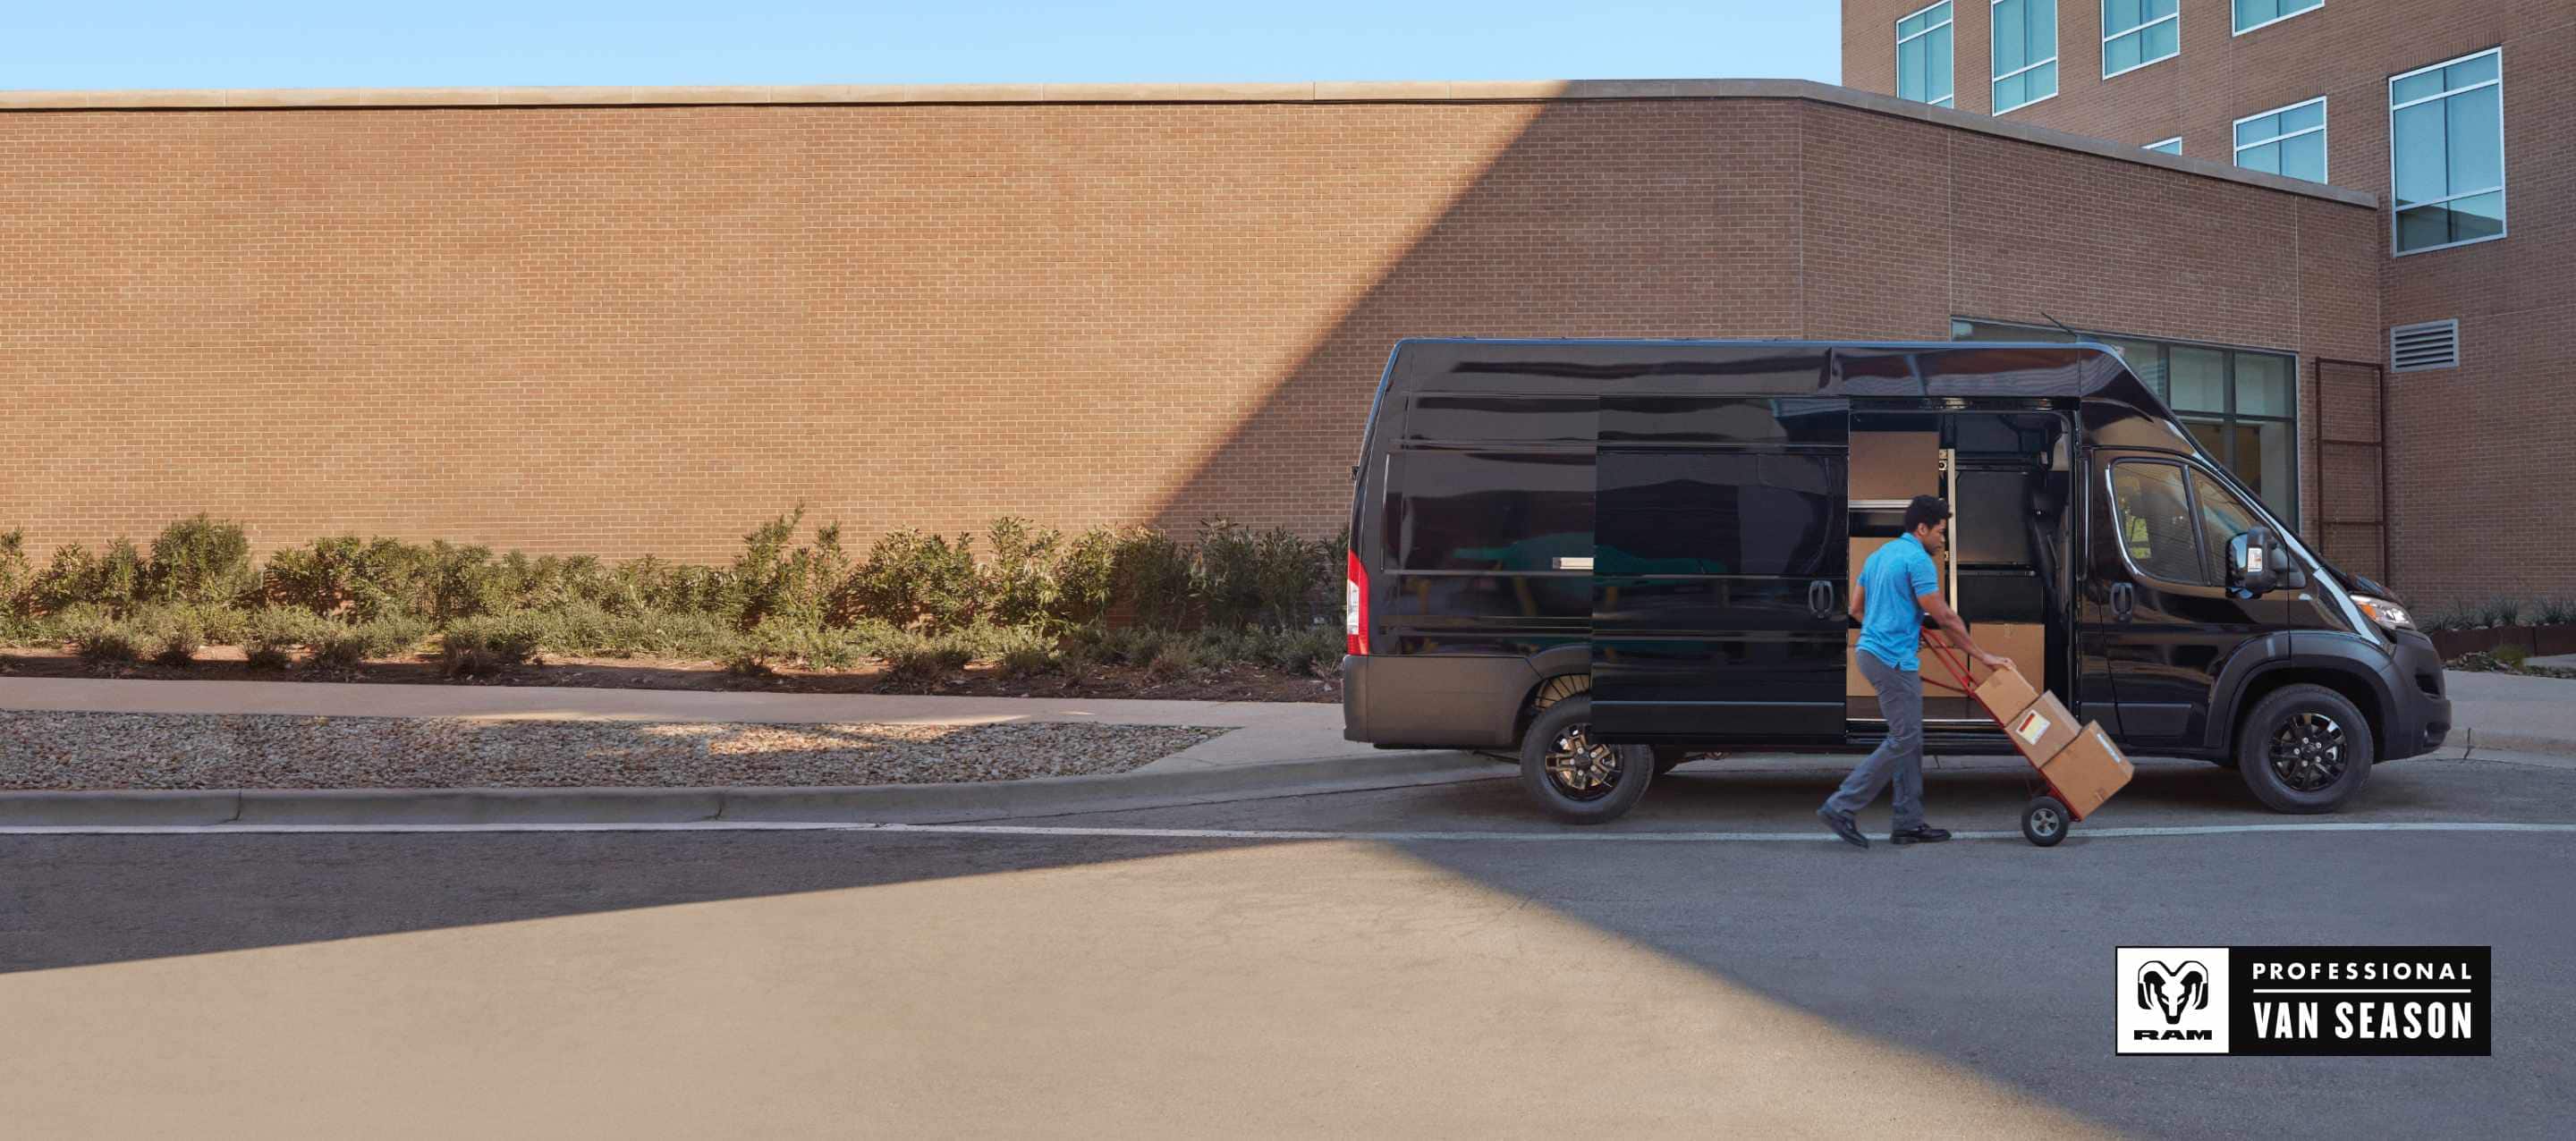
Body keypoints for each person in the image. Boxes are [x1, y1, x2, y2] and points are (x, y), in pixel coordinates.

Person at [1818, 495, 2010, 849]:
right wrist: (1984, 656)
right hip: (1892, 661)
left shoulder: (1880, 555)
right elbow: (1945, 617)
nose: (1942, 539)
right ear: (1922, 528)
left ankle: (1908, 824)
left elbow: (1856, 608)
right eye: (1940, 532)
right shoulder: (1918, 560)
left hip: (1872, 653)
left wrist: (1889, 626)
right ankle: (1841, 805)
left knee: (1910, 738)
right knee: (1904, 738)